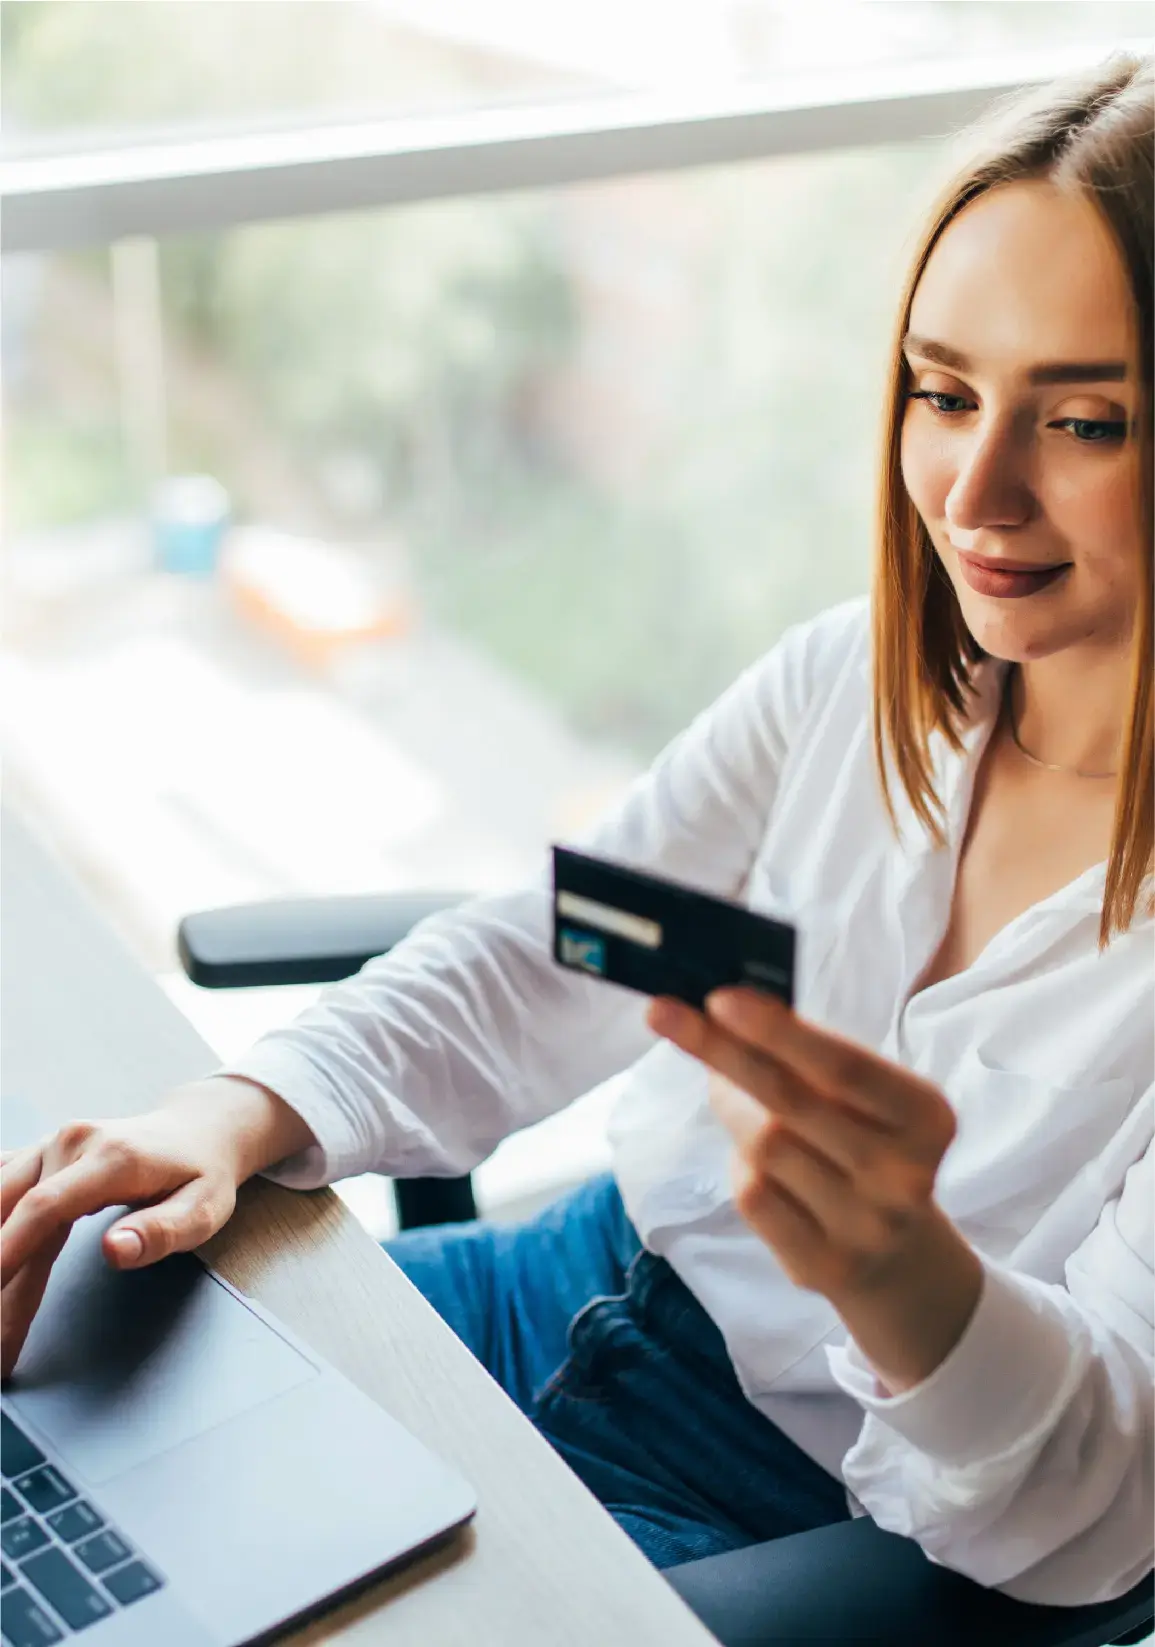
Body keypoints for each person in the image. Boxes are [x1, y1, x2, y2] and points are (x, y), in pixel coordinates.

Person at [2, 52, 1151, 1607]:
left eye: (1081, 421)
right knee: (77, 1425)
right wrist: (245, 1104)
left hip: (814, 1496)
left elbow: (1102, 1492)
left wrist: (909, 1285)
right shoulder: (849, 697)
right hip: (580, 1279)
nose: (976, 492)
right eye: (944, 394)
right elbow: (573, 949)